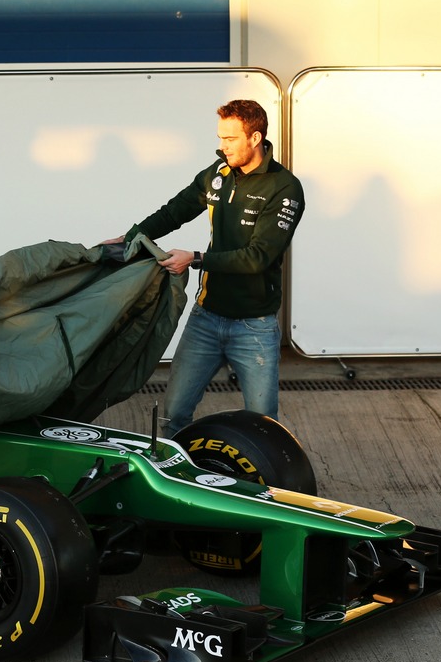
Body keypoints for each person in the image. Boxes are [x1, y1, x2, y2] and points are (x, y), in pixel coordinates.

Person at [105, 99, 304, 438]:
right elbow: (174, 211)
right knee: (174, 414)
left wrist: (195, 258)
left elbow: (258, 257)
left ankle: (263, 488)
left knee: (263, 426)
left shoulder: (284, 188)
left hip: (254, 327)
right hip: (206, 320)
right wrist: (132, 236)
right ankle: (178, 483)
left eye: (230, 139)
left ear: (255, 138)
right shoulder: (218, 173)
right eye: (220, 138)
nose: (221, 146)